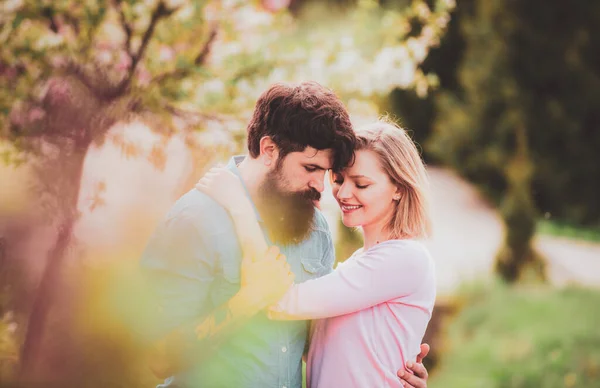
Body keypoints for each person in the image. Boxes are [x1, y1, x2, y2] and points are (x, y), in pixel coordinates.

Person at [141, 82, 430, 388]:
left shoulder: (315, 229)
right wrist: (243, 303)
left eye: (326, 172)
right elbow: (158, 357)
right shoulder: (196, 220)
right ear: (269, 150)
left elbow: (306, 343)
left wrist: (392, 368)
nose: (321, 187)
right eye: (310, 168)